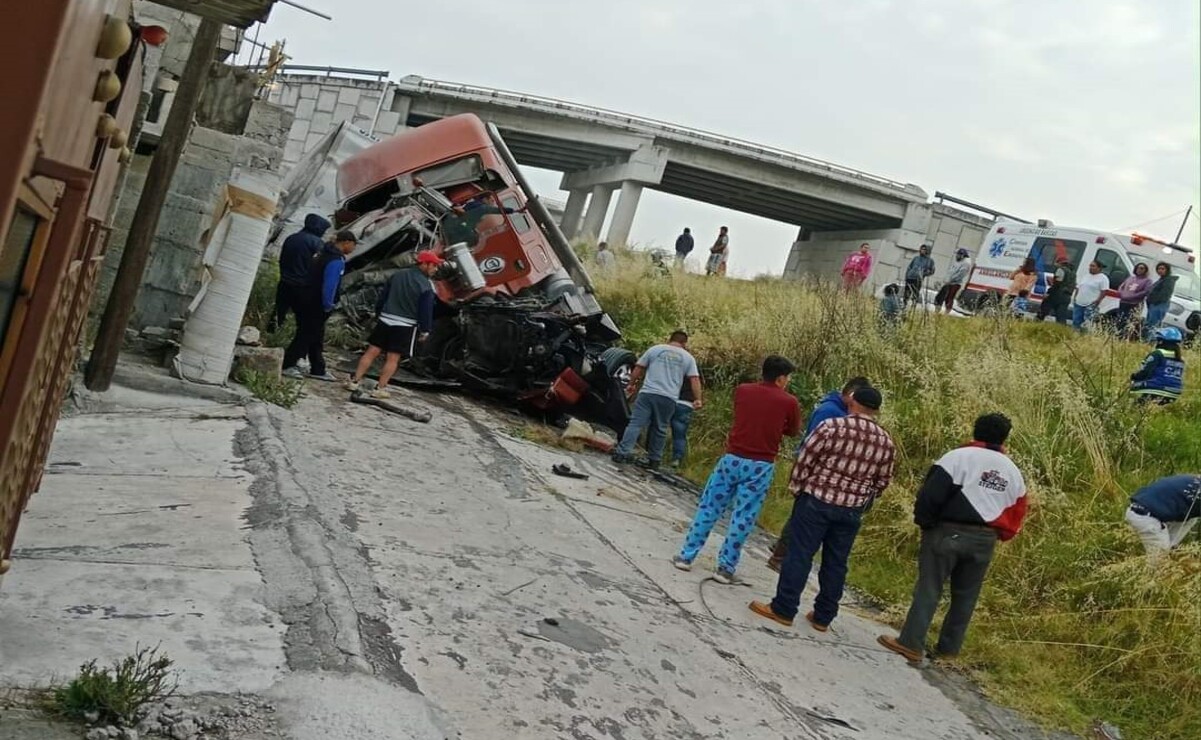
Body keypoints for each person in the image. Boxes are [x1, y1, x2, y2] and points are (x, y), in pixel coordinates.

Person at [877, 413, 1027, 663]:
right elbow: (1018, 510)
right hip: (986, 539)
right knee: (967, 595)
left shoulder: (957, 457)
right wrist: (1001, 534)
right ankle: (948, 651)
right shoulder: (1013, 471)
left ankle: (911, 643)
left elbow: (930, 496)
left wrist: (925, 523)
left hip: (948, 531)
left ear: (975, 431)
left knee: (930, 587)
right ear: (1005, 437)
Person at [748, 387, 896, 630]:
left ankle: (783, 609)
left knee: (800, 554)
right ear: (877, 410)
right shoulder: (885, 442)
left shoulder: (832, 427)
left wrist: (797, 488)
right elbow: (882, 481)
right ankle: (823, 617)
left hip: (816, 500)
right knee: (836, 562)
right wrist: (861, 498)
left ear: (853, 402)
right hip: (851, 509)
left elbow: (806, 458)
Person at [673, 356, 801, 583]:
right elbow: (792, 430)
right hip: (760, 465)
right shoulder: (789, 402)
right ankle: (725, 567)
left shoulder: (743, 390)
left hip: (731, 458)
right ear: (781, 378)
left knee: (709, 507)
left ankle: (685, 556)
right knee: (743, 517)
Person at [767, 376, 871, 572]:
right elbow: (812, 445)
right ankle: (780, 555)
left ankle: (782, 548)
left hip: (825, 476)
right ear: (851, 396)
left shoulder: (839, 411)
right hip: (815, 472)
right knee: (801, 515)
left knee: (802, 515)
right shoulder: (830, 412)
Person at [346, 250, 445, 398]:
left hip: (385, 319)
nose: (435, 269)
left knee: (371, 351)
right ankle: (380, 389)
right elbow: (425, 311)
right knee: (393, 358)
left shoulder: (397, 275)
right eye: (434, 265)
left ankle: (354, 381)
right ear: (424, 264)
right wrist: (425, 330)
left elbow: (382, 297)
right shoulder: (426, 286)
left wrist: (379, 314)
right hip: (405, 325)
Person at [612, 331, 703, 469]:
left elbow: (639, 367)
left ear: (669, 339)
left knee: (636, 424)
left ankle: (622, 453)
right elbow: (694, 379)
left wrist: (631, 384)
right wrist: (697, 399)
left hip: (648, 393)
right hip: (669, 397)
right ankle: (654, 460)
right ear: (684, 343)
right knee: (660, 428)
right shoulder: (688, 358)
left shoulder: (655, 349)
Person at [283, 230, 357, 381]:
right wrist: (328, 304)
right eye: (354, 245)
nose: (353, 249)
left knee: (315, 335)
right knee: (306, 335)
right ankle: (287, 364)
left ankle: (318, 368)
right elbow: (330, 285)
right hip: (317, 303)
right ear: (347, 242)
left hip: (305, 297)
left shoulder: (322, 253)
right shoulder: (336, 260)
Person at [270, 213, 330, 332]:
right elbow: (320, 264)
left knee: (279, 311)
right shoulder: (317, 243)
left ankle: (271, 332)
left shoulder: (292, 237)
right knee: (303, 317)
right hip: (302, 285)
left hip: (284, 281)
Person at [1124, 475, 1201, 559]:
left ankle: (1171, 550)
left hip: (1146, 509)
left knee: (1192, 518)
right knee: (1160, 560)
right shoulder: (1196, 490)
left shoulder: (1193, 481)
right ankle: (1157, 567)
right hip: (1145, 515)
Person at [1129, 327, 1185, 405]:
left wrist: (1134, 377)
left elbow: (1145, 372)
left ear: (1161, 341)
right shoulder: (1180, 358)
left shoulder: (1158, 353)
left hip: (1158, 388)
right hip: (1174, 392)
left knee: (1134, 394)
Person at [441, 197, 518, 247]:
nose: (492, 202)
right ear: (485, 198)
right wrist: (514, 211)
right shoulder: (482, 208)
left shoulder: (473, 203)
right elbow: (499, 210)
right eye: (491, 200)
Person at [1114, 263, 1153, 339]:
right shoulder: (1130, 278)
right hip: (1123, 302)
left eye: (1142, 268)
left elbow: (1146, 291)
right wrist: (1122, 294)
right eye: (1138, 268)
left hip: (1134, 304)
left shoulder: (1147, 281)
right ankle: (1116, 335)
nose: (1139, 270)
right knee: (1120, 319)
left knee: (1129, 322)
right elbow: (1121, 287)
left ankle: (1125, 337)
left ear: (1146, 270)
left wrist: (1132, 296)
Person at [1071, 260, 1111, 332]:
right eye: (1090, 266)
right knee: (1076, 321)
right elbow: (1078, 287)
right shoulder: (1086, 276)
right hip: (1079, 302)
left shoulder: (1103, 278)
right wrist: (1075, 297)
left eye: (1093, 266)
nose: (1090, 267)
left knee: (1087, 324)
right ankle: (1074, 335)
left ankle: (1085, 338)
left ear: (1099, 268)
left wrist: (1098, 301)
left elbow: (1104, 291)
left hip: (1090, 304)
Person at [1143, 262, 1177, 340]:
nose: (1160, 270)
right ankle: (1146, 340)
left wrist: (1154, 301)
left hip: (1159, 305)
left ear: (1167, 270)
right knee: (1149, 323)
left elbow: (1165, 294)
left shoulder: (1169, 280)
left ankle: (1149, 340)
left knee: (1153, 324)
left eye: (1162, 269)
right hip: (1153, 305)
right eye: (1158, 269)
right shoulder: (1161, 280)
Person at [669, 376, 697, 470]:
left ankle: (653, 454)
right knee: (680, 435)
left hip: (670, 399)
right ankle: (676, 459)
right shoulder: (692, 371)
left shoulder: (673, 366)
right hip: (686, 403)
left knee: (658, 427)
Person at [1036, 256, 1074, 324]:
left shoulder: (1060, 270)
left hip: (1056, 294)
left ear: (1059, 263)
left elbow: (1057, 283)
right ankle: (1061, 330)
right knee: (1061, 316)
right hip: (1066, 296)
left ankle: (1036, 324)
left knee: (1043, 310)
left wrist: (1049, 292)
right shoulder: (1073, 273)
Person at [934, 249, 971, 314]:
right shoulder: (957, 262)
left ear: (963, 256)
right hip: (949, 282)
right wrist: (945, 279)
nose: (957, 256)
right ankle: (937, 310)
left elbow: (960, 275)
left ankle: (947, 312)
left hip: (955, 283)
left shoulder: (966, 264)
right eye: (957, 254)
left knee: (949, 297)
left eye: (959, 254)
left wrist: (950, 280)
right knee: (940, 296)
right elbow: (950, 272)